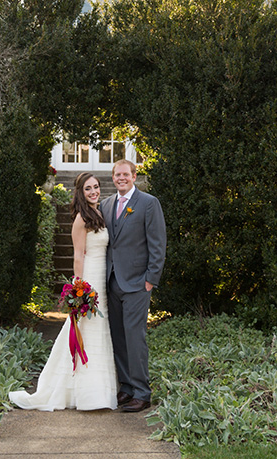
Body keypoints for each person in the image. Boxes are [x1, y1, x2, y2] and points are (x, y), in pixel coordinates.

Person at [8, 173, 118, 411]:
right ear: (80, 192)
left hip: (103, 277)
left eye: (96, 187)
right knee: (84, 329)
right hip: (89, 278)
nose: (94, 192)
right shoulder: (81, 218)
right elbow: (78, 254)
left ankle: (100, 391)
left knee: (99, 331)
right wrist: (79, 288)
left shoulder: (100, 213)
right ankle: (80, 392)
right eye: (88, 188)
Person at [102, 159, 166, 413]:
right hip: (113, 282)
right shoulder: (106, 204)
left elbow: (158, 244)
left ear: (134, 176)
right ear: (113, 177)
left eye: (126, 174)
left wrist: (151, 279)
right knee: (118, 337)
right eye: (117, 174)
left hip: (138, 283)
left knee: (135, 338)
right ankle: (126, 388)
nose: (121, 178)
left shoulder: (149, 203)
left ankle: (142, 392)